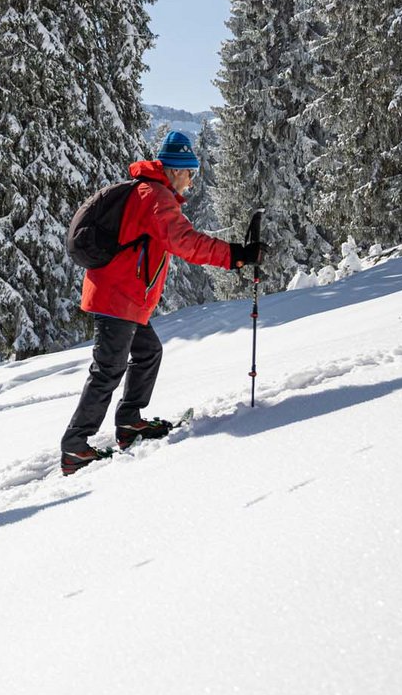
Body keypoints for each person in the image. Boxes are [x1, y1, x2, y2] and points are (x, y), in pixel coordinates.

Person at [59, 130, 260, 475]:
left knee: (148, 352)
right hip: (117, 298)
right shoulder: (156, 197)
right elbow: (185, 243)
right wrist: (235, 256)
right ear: (175, 170)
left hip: (123, 297)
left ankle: (129, 422)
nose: (191, 182)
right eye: (190, 173)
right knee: (108, 369)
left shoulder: (150, 193)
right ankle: (75, 446)